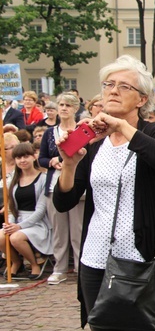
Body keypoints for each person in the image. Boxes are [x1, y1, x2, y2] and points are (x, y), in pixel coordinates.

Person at [53, 55, 155, 331]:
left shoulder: (154, 132)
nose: (112, 91)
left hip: (141, 264)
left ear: (141, 99)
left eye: (123, 86)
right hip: (95, 263)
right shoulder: (93, 143)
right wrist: (70, 163)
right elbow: (65, 200)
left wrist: (120, 126)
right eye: (108, 85)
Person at [39, 93, 86, 285]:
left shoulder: (82, 130)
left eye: (68, 105)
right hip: (54, 185)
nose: (64, 108)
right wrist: (52, 161)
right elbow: (40, 158)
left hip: (78, 186)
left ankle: (82, 267)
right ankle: (59, 268)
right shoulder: (50, 133)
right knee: (59, 230)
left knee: (78, 229)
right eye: (61, 105)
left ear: (76, 108)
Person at [0, 142, 52, 280]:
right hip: (17, 220)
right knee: (1, 235)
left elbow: (41, 210)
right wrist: (10, 224)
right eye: (18, 158)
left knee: (16, 237)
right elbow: (11, 206)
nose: (22, 160)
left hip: (38, 223)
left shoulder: (44, 179)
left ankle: (34, 264)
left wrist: (19, 227)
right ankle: (16, 262)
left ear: (34, 157)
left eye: (25, 156)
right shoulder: (14, 180)